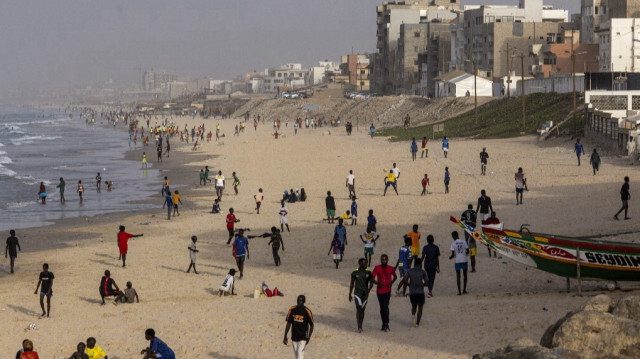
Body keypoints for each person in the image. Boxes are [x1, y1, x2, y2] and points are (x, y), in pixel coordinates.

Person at [371, 254, 397, 332]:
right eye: (382, 260)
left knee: (386, 306)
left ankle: (386, 323)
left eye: (385, 259)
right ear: (380, 260)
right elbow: (372, 278)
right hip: (379, 291)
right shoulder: (377, 268)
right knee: (382, 308)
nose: (384, 261)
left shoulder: (391, 268)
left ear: (387, 260)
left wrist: (391, 283)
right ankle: (383, 323)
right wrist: (378, 283)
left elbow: (395, 276)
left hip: (387, 290)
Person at [284, 295, 314, 359]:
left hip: (303, 337)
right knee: (297, 355)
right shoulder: (292, 310)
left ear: (304, 302)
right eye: (298, 300)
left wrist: (308, 337)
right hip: (294, 336)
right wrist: (285, 335)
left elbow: (311, 325)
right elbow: (289, 323)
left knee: (300, 354)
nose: (299, 302)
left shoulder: (307, 311)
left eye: (300, 301)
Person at [400, 258, 428, 327]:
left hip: (412, 292)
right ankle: (417, 323)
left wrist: (409, 285)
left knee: (414, 306)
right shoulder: (423, 272)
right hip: (420, 292)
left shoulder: (409, 271)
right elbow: (427, 283)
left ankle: (413, 315)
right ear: (420, 264)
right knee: (420, 308)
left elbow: (404, 280)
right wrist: (422, 285)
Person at [349, 258, 373, 332]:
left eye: (367, 263)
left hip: (365, 295)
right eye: (365, 263)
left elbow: (371, 283)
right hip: (357, 294)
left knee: (362, 310)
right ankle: (359, 326)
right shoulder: (354, 273)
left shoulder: (368, 273)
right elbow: (352, 284)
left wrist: (368, 291)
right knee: (358, 309)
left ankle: (361, 325)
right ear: (360, 263)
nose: (366, 264)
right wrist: (349, 294)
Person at [449, 231, 469, 295]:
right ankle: (464, 290)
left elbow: (452, 254)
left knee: (458, 276)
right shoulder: (464, 241)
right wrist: (464, 254)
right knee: (465, 275)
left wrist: (451, 257)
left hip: (457, 260)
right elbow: (467, 251)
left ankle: (459, 291)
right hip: (464, 259)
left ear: (453, 236)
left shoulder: (453, 243)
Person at [460, 205, 477, 270]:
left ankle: (467, 250)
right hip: (471, 226)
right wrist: (474, 225)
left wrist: (465, 220)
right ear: (472, 207)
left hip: (466, 225)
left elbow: (462, 219)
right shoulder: (473, 212)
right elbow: (475, 218)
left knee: (466, 238)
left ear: (468, 207)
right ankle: (471, 250)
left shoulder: (465, 212)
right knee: (472, 238)